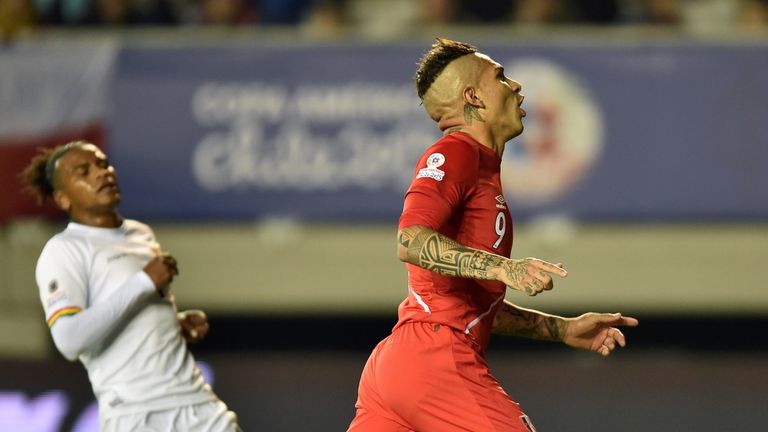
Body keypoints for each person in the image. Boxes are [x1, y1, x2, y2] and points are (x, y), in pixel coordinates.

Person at [347, 38, 639, 432]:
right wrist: (504, 268)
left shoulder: (482, 168)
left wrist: (562, 328)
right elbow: (410, 240)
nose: (516, 86)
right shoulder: (456, 154)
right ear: (473, 97)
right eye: (500, 76)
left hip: (401, 366)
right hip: (433, 360)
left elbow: (471, 307)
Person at [21, 141, 241, 432]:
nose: (101, 174)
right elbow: (69, 339)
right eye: (84, 172)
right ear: (63, 199)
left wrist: (173, 323)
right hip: (136, 414)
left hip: (197, 405)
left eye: (103, 164)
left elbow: (132, 314)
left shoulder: (141, 233)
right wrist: (144, 282)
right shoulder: (63, 251)